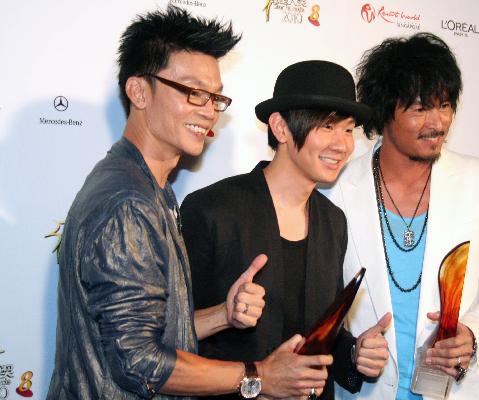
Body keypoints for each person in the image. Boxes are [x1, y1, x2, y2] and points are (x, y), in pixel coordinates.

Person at [47, 7, 334, 399]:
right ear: (139, 91)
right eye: (193, 92)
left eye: (215, 96)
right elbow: (139, 363)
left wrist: (222, 315)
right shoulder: (127, 203)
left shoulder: (149, 188)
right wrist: (259, 375)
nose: (209, 109)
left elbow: (145, 333)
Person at [180, 60, 391, 400]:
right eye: (327, 126)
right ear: (280, 127)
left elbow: (320, 336)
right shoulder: (212, 210)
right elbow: (167, 336)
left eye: (349, 130)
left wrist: (354, 353)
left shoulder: (333, 221)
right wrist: (224, 315)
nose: (342, 144)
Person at [329, 33, 479, 399]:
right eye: (420, 109)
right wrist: (351, 350)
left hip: (461, 389)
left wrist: (473, 333)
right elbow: (322, 302)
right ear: (384, 112)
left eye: (445, 105)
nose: (438, 122)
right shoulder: (337, 189)